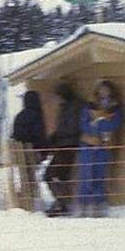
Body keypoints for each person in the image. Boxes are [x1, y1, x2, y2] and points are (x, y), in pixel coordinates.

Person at [75, 80, 122, 218]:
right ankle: (83, 206)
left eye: (106, 89)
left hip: (103, 146)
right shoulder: (89, 106)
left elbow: (114, 125)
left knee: (99, 175)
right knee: (86, 175)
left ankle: (98, 206)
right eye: (101, 89)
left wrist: (98, 124)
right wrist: (96, 128)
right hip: (88, 145)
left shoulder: (115, 108)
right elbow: (84, 124)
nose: (104, 92)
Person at [42, 83, 83, 217]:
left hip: (69, 145)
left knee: (52, 174)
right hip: (64, 144)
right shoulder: (66, 107)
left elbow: (73, 127)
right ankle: (62, 202)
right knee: (58, 175)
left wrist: (58, 135)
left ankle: (62, 203)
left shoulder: (74, 107)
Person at [10, 90, 46, 210]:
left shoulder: (20, 116)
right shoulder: (37, 115)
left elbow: (15, 134)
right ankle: (32, 199)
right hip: (33, 150)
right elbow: (39, 134)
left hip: (20, 150)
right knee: (32, 175)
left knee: (24, 175)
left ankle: (26, 198)